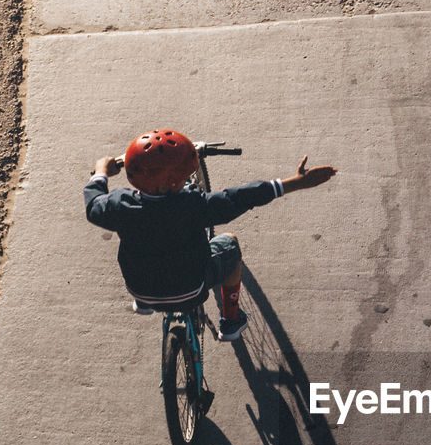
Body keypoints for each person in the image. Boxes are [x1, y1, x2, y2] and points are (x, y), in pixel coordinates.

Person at [85, 128, 336, 340]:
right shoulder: (196, 206)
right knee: (230, 244)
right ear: (175, 181)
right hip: (191, 289)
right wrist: (296, 182)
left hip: (140, 288)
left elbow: (93, 203)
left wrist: (101, 172)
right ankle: (230, 320)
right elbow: (243, 196)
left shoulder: (117, 206)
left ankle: (144, 304)